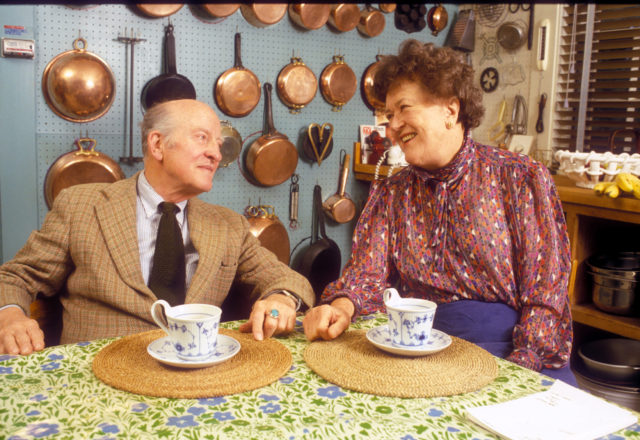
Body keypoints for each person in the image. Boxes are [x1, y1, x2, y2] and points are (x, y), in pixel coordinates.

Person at [303, 40, 575, 384]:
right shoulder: (391, 191)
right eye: (389, 116)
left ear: (451, 110)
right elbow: (366, 275)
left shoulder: (520, 177)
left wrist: (520, 366)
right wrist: (341, 307)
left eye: (404, 108)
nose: (393, 127)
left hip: (515, 354)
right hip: (421, 352)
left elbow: (545, 291)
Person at [0, 99, 314, 356]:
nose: (216, 154)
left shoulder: (228, 225)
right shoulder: (81, 205)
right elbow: (16, 276)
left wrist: (282, 299)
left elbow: (285, 279)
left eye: (218, 144)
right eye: (202, 138)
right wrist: (10, 315)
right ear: (158, 144)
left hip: (194, 377)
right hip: (95, 377)